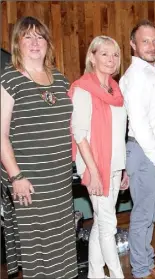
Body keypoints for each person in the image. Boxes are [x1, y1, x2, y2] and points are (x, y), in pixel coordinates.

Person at [0, 16, 78, 278]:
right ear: (17, 44)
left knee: (63, 241)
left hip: (59, 178)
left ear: (47, 43)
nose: (35, 42)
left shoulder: (60, 79)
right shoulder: (9, 80)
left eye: (40, 36)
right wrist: (16, 176)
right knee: (39, 248)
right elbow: (1, 135)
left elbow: (70, 127)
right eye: (27, 37)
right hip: (29, 180)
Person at [69, 35, 128, 279]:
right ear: (92, 57)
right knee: (108, 225)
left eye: (115, 54)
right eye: (104, 53)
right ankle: (116, 275)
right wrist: (93, 172)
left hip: (114, 166)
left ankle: (94, 274)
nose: (111, 59)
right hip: (95, 168)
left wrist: (122, 169)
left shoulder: (116, 90)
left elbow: (118, 134)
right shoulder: (83, 89)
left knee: (102, 223)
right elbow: (79, 134)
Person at [120, 20, 155, 279]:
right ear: (133, 44)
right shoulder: (136, 77)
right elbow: (140, 124)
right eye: (145, 41)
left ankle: (145, 261)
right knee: (143, 215)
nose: (152, 45)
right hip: (146, 151)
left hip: (152, 150)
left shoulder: (151, 72)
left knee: (150, 214)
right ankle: (141, 271)